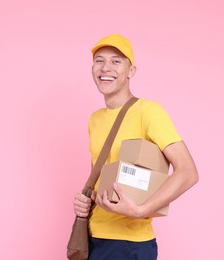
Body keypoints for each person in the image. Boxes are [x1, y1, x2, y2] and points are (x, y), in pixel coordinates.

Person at [73, 33, 199, 260]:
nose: (106, 67)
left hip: (130, 244)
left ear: (131, 71)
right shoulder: (95, 119)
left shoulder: (148, 112)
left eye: (116, 61)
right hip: (94, 238)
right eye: (99, 60)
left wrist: (141, 210)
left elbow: (188, 172)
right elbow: (105, 178)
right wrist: (86, 199)